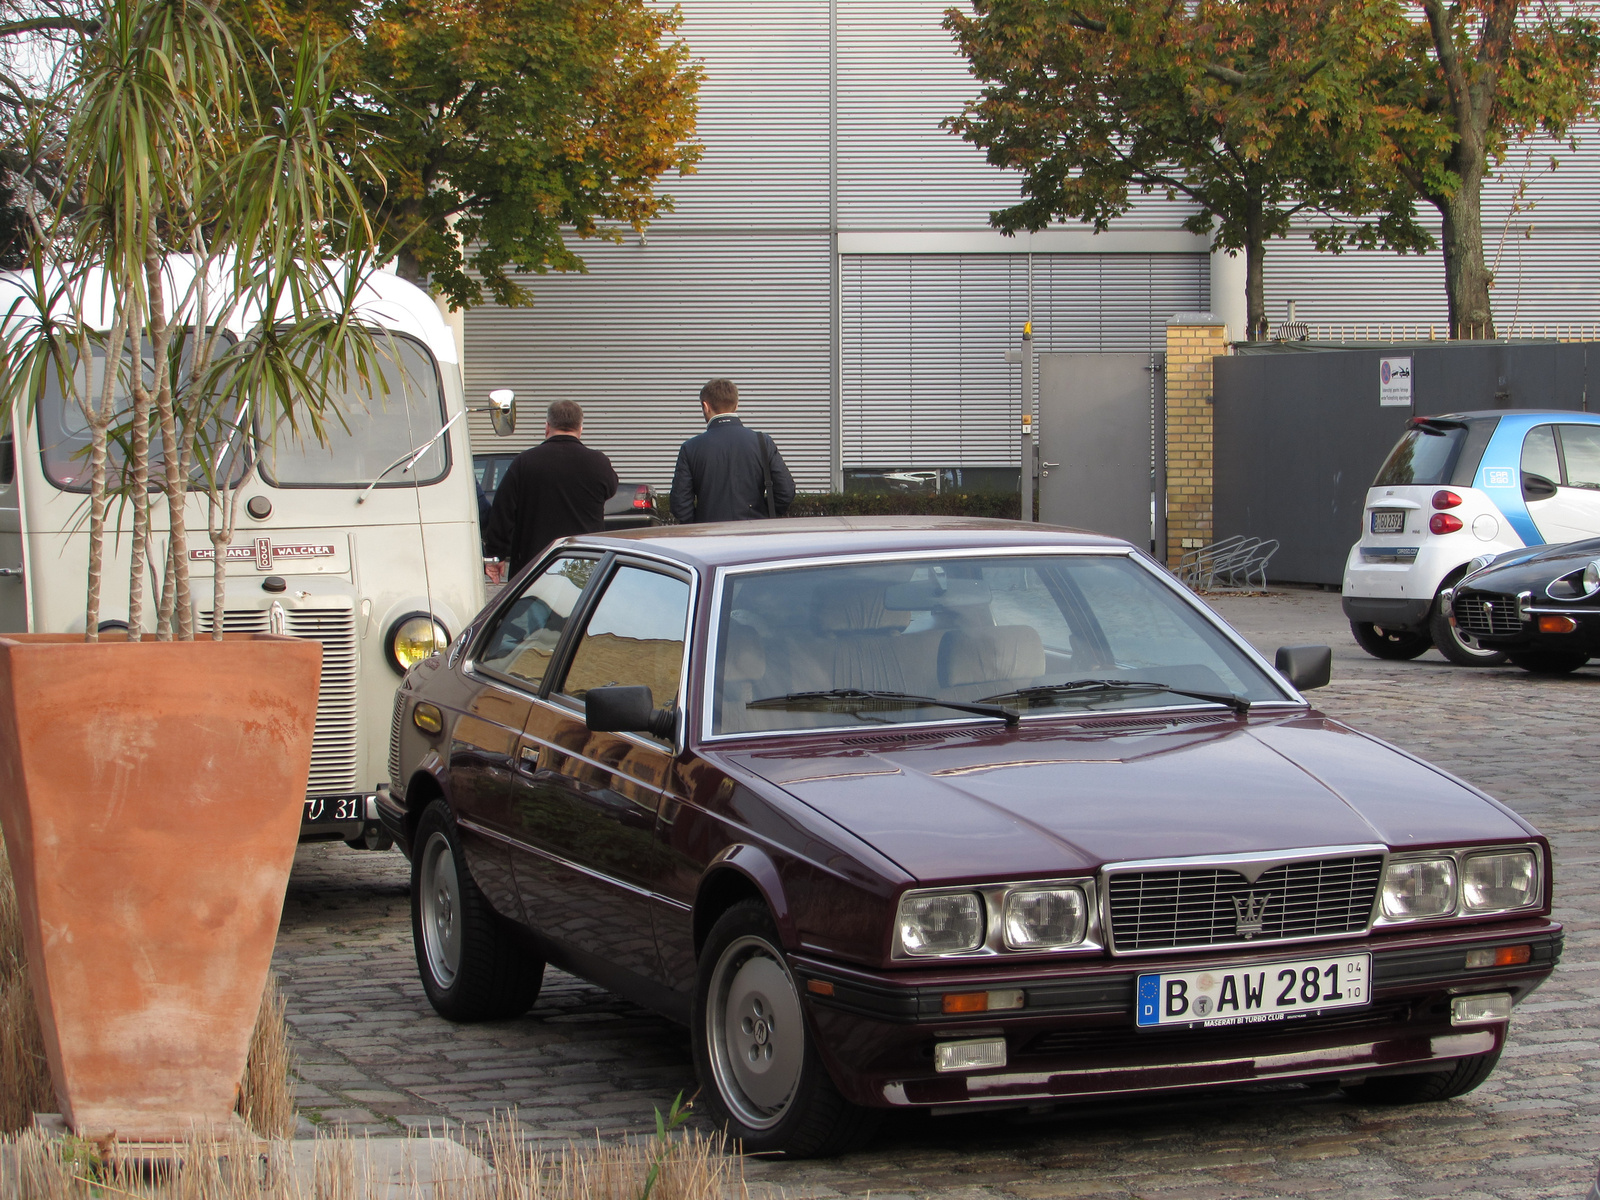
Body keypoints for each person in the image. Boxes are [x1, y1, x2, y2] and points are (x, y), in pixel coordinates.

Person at [483, 400, 617, 582]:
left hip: (533, 568)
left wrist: (495, 555)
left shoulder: (524, 463)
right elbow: (610, 489)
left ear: (547, 426)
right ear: (580, 428)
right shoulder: (599, 463)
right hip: (584, 566)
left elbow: (502, 512)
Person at [669, 379, 795, 524]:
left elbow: (680, 503)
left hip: (709, 536)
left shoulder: (690, 447)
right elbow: (786, 491)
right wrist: (762, 514)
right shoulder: (762, 442)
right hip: (754, 533)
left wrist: (699, 526)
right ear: (736, 404)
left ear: (706, 406)